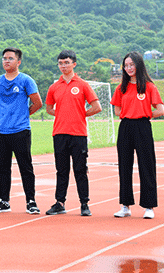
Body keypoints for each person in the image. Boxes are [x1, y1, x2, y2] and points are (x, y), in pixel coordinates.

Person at [45, 50, 101, 216]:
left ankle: (84, 204)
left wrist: (80, 114)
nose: (63, 66)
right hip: (59, 133)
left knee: (80, 170)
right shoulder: (54, 87)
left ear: (74, 64)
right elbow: (49, 108)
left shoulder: (82, 84)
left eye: (67, 63)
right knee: (61, 170)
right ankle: (60, 203)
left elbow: (97, 107)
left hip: (78, 134)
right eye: (60, 63)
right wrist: (62, 115)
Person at [111, 51, 164, 220]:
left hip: (143, 126)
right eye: (126, 66)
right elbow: (117, 110)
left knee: (147, 165)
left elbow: (161, 110)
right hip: (126, 127)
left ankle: (149, 206)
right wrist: (131, 113)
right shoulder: (121, 88)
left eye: (131, 65)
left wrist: (145, 114)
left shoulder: (149, 87)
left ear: (138, 65)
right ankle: (125, 206)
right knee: (124, 166)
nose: (129, 68)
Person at [0, 47, 43, 214]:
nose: (6, 61)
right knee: (3, 167)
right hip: (0, 130)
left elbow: (37, 103)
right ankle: (4, 201)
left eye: (10, 58)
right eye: (4, 58)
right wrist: (6, 116)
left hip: (20, 130)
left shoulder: (26, 80)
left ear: (18, 62)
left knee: (25, 167)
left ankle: (31, 201)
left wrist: (23, 115)